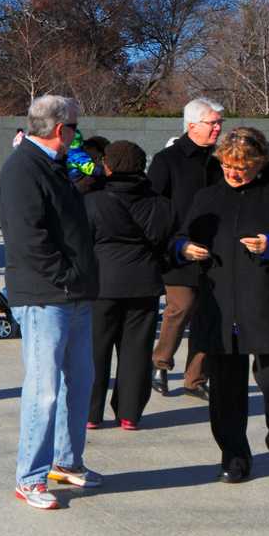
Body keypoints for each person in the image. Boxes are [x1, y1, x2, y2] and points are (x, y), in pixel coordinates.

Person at [176, 126, 269, 483]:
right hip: (221, 306)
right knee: (225, 390)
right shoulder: (207, 197)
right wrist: (183, 248)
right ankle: (233, 456)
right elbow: (182, 234)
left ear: (259, 163)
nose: (232, 172)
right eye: (226, 164)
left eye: (240, 166)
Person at [0, 94, 101, 510]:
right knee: (44, 390)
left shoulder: (52, 166)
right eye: (76, 127)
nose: (78, 135)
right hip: (45, 297)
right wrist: (69, 276)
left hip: (71, 295)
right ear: (61, 129)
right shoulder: (23, 167)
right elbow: (28, 239)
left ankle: (66, 461)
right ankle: (30, 476)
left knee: (80, 383)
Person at [84, 140, 173, 429]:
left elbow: (82, 244)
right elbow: (165, 242)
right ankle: (130, 413)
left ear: (108, 166)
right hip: (144, 283)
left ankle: (90, 413)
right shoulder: (160, 203)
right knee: (136, 351)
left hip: (102, 284)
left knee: (96, 350)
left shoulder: (94, 201)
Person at [148, 97, 225, 401]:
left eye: (220, 122)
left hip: (216, 251)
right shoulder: (167, 159)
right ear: (192, 125)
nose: (218, 127)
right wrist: (171, 242)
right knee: (180, 308)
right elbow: (153, 204)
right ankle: (160, 364)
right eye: (213, 122)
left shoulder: (222, 158)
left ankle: (196, 379)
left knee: (208, 314)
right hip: (177, 249)